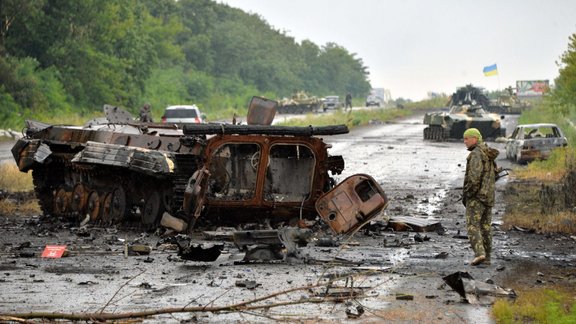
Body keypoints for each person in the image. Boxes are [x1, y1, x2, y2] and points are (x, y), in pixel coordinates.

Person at [462, 128, 499, 266]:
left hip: (477, 197)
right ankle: (487, 258)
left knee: (473, 225)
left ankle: (479, 254)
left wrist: (468, 194)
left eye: (467, 138)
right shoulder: (487, 152)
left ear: (475, 139)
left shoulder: (476, 154)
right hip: (488, 196)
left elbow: (474, 178)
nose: (464, 142)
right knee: (485, 227)